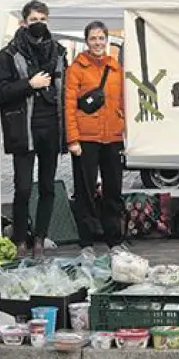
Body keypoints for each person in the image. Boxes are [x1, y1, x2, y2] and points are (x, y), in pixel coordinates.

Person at [0, 0, 68, 259]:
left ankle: (40, 239)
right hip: (24, 130)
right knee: (23, 187)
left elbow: (65, 89)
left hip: (51, 128)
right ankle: (20, 239)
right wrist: (29, 84)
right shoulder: (9, 54)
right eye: (34, 20)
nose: (39, 24)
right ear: (24, 22)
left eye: (43, 20)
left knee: (48, 187)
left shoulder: (58, 52)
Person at [64, 22, 127, 258]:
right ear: (87, 41)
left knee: (113, 190)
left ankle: (115, 240)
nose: (98, 43)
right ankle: (86, 241)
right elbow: (69, 106)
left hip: (112, 137)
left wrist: (125, 132)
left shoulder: (116, 69)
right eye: (93, 39)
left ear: (107, 40)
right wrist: (72, 139)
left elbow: (123, 102)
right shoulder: (77, 69)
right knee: (85, 191)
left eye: (101, 38)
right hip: (86, 139)